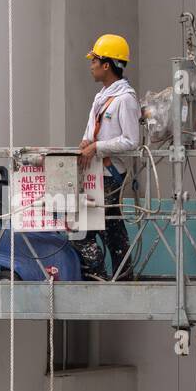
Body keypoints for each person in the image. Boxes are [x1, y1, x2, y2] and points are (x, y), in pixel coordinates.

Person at [78, 33, 140, 280]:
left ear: (107, 64)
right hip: (97, 174)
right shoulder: (101, 98)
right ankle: (121, 276)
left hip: (111, 174)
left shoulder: (125, 100)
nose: (91, 65)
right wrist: (85, 144)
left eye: (94, 60)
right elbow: (89, 132)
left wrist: (97, 148)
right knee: (110, 228)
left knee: (87, 231)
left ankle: (101, 275)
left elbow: (131, 140)